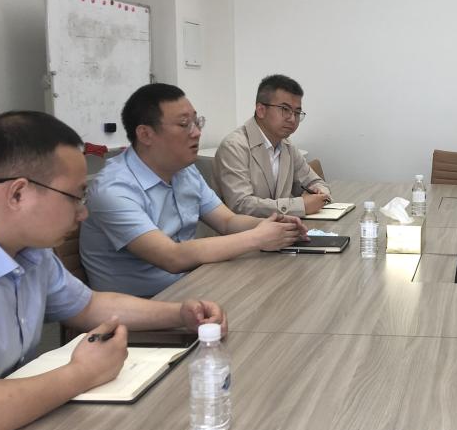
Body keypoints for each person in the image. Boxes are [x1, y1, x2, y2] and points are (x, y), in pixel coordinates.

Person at [0, 111, 227, 430]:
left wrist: (179, 314)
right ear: (17, 194)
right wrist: (79, 374)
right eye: (75, 196)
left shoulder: (28, 251)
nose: (83, 213)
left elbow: (87, 305)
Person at [81, 83, 306, 297]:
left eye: (197, 122)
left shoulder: (184, 170)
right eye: (184, 124)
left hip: (192, 285)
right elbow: (172, 257)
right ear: (146, 134)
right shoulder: (113, 190)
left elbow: (227, 221)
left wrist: (275, 225)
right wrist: (257, 238)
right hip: (143, 305)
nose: (197, 132)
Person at [214, 74, 331, 218]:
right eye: (285, 109)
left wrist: (320, 193)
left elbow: (315, 181)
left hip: (282, 228)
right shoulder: (233, 147)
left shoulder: (287, 146)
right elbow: (241, 205)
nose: (292, 118)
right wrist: (300, 205)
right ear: (261, 110)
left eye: (297, 112)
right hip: (246, 231)